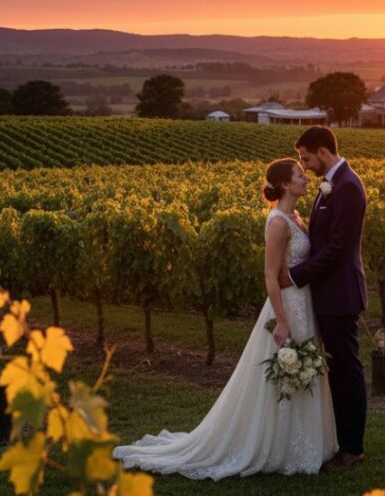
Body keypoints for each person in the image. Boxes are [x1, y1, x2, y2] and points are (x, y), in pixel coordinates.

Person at [112, 158, 338, 479]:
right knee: (286, 372)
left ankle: (302, 444)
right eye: (300, 175)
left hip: (304, 304)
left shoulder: (296, 217)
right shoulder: (277, 223)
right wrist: (283, 321)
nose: (306, 179)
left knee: (304, 371)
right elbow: (270, 276)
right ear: (286, 185)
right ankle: (279, 446)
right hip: (287, 307)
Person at [281, 125, 368, 470]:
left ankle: (352, 447)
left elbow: (336, 248)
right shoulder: (332, 185)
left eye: (306, 158)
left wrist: (294, 275)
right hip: (328, 293)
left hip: (340, 294)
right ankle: (341, 440)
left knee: (347, 370)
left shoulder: (347, 187)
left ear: (323, 151)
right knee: (336, 369)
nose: (305, 165)